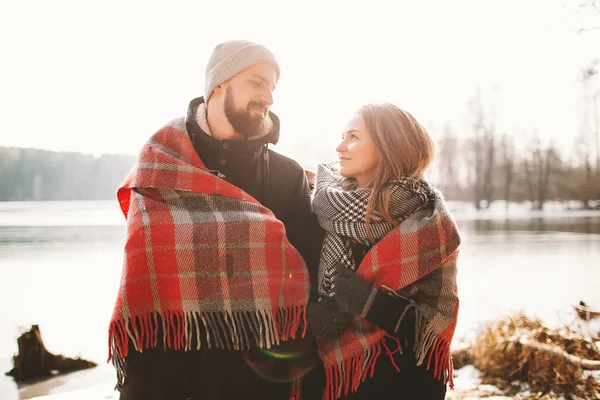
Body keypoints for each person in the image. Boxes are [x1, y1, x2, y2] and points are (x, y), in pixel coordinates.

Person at [108, 40, 318, 400]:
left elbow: (309, 276)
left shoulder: (286, 176)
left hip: (258, 377)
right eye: (257, 82)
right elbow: (147, 286)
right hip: (170, 368)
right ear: (218, 84)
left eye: (272, 87)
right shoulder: (159, 168)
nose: (268, 97)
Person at [302, 103, 462, 400]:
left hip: (405, 381)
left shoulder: (430, 224)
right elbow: (293, 285)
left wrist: (371, 303)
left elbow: (432, 328)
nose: (339, 147)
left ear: (389, 145)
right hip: (335, 381)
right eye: (342, 136)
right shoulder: (320, 210)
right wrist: (309, 317)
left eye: (353, 137)